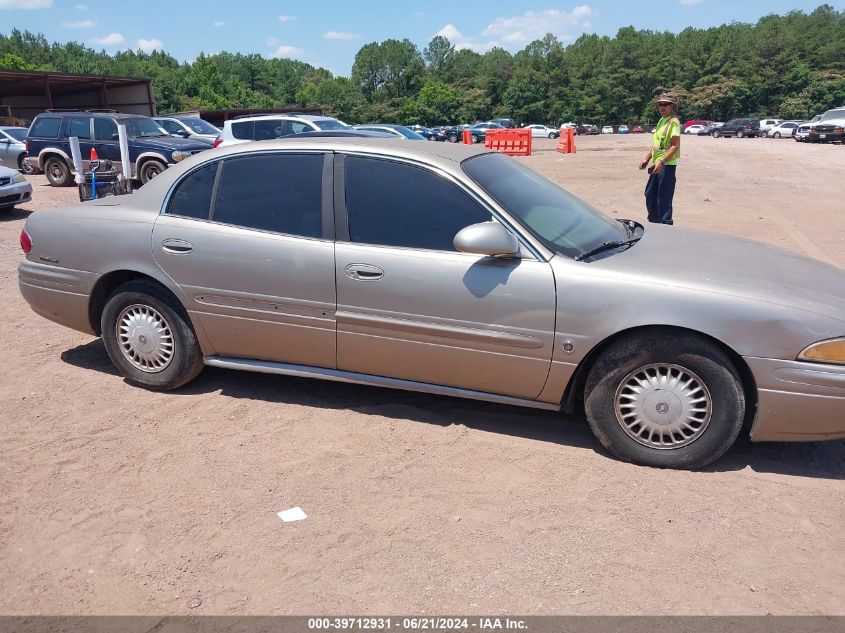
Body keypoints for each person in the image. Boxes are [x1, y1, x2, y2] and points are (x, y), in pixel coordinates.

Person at [639, 94, 681, 225]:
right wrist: (647, 159)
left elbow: (675, 145)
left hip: (667, 165)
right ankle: (654, 223)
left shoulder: (673, 122)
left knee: (664, 198)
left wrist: (662, 162)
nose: (662, 107)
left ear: (672, 106)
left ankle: (666, 225)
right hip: (657, 164)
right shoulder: (661, 121)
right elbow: (656, 145)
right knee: (650, 194)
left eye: (665, 104)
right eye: (660, 105)